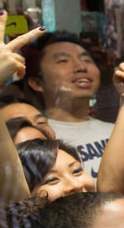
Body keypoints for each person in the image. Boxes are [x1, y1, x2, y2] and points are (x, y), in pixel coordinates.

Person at [24, 32, 115, 179]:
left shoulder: (116, 130)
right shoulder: (36, 139)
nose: (81, 67)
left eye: (87, 60)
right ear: (37, 83)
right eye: (62, 61)